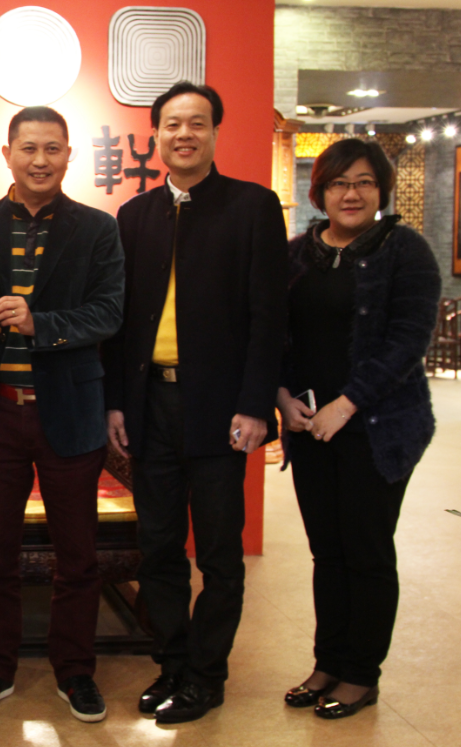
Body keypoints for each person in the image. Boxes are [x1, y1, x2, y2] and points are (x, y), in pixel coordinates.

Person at [102, 82, 288, 723]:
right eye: (173, 124)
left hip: (220, 410)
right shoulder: (135, 215)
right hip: (149, 405)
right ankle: (172, 664)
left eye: (198, 123)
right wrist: (117, 403)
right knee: (158, 548)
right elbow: (121, 322)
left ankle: (208, 675)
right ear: (155, 134)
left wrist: (256, 405)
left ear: (214, 132)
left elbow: (269, 315)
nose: (184, 134)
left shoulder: (253, 206)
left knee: (218, 555)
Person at [0, 106, 124, 722]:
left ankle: (76, 670)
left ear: (69, 155)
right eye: (29, 148)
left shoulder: (97, 229)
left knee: (78, 557)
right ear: (7, 154)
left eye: (52, 148)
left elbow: (108, 314)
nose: (40, 160)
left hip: (69, 412)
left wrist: (40, 323)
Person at [277, 138, 439, 719]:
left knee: (366, 550)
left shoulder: (405, 250)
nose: (352, 193)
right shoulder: (297, 254)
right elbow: (275, 335)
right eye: (340, 183)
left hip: (376, 428)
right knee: (326, 551)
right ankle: (328, 663)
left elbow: (407, 342)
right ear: (319, 191)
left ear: (381, 190)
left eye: (365, 182)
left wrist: (345, 405)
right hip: (309, 427)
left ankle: (361, 675)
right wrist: (282, 399)